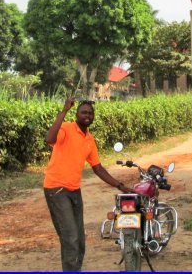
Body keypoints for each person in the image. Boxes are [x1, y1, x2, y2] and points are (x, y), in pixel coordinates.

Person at [43, 97, 132, 272]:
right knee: (70, 237)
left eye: (90, 113)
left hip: (74, 190)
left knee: (79, 239)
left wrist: (120, 185)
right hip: (56, 189)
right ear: (77, 114)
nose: (87, 115)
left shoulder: (89, 139)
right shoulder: (67, 128)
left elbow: (98, 168)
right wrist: (64, 110)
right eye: (84, 112)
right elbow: (49, 138)